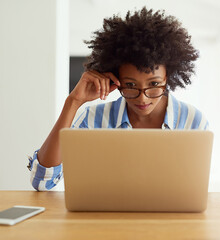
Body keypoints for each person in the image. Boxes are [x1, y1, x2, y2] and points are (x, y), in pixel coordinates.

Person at [28, 7, 209, 191]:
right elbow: (42, 183)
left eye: (154, 84)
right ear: (116, 80)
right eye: (130, 85)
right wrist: (73, 102)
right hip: (106, 218)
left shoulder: (192, 121)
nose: (142, 98)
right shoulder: (93, 119)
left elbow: (192, 191)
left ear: (168, 77)